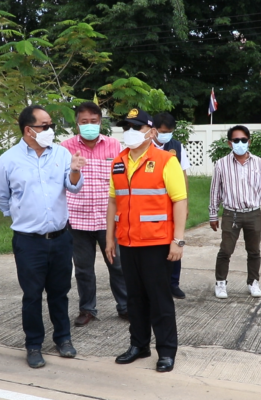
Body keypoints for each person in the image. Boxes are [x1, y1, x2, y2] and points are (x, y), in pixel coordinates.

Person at [0, 105, 87, 368]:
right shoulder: (8, 160)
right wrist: (19, 212)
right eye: (45, 126)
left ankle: (63, 338)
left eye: (51, 124)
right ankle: (33, 345)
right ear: (28, 130)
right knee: (32, 295)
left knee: (60, 292)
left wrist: (75, 170)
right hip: (28, 241)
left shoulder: (62, 154)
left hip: (60, 238)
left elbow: (73, 187)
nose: (50, 130)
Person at [106, 108, 187, 373]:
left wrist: (178, 240)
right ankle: (139, 345)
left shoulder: (166, 160)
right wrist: (109, 238)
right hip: (128, 242)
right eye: (126, 127)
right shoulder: (119, 162)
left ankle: (166, 351)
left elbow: (180, 201)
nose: (129, 132)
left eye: (136, 127)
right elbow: (113, 201)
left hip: (156, 243)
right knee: (135, 299)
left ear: (151, 132)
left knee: (159, 299)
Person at [60, 101, 128, 327]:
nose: (89, 125)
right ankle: (87, 309)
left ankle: (125, 306)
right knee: (83, 269)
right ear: (77, 124)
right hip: (77, 218)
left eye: (93, 121)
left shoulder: (114, 145)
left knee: (117, 265)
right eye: (84, 121)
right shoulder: (65, 147)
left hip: (108, 219)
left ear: (100, 122)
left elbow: (121, 180)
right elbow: (62, 181)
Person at [209, 125, 261, 299]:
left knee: (254, 251)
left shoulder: (258, 163)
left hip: (253, 213)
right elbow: (215, 191)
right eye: (236, 140)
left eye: (243, 140)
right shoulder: (221, 164)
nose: (240, 143)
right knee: (225, 250)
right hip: (231, 213)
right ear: (229, 143)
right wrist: (213, 214)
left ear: (249, 142)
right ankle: (220, 283)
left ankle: (253, 282)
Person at [152, 112, 190, 300]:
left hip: (173, 202)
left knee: (176, 241)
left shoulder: (176, 146)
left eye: (169, 132)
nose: (166, 135)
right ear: (154, 130)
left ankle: (173, 283)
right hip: (153, 204)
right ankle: (156, 284)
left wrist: (185, 203)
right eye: (163, 131)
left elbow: (183, 176)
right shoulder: (145, 146)